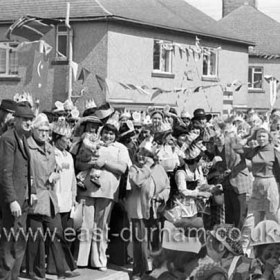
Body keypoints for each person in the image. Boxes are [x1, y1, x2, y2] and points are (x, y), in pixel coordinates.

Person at [75, 119, 130, 270]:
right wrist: (91, 164)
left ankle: (98, 259)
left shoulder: (120, 148)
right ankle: (81, 260)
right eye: (106, 132)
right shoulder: (92, 143)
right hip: (87, 189)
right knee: (85, 225)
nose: (108, 136)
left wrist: (104, 163)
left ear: (116, 135)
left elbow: (122, 168)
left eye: (111, 133)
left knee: (101, 225)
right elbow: (79, 163)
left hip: (108, 191)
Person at [26, 113, 76, 279]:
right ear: (33, 129)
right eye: (41, 130)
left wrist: (54, 174)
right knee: (36, 238)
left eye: (47, 130)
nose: (44, 133)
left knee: (57, 234)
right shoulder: (28, 147)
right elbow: (28, 173)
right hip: (35, 197)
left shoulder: (49, 148)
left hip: (50, 198)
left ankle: (61, 272)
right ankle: (35, 272)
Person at [0, 103, 35, 280]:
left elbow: (28, 169)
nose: (28, 123)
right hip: (14, 202)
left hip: (25, 200)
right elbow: (5, 173)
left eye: (30, 120)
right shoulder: (8, 138)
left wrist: (33, 191)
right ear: (16, 120)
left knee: (20, 242)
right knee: (9, 243)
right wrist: (12, 199)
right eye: (25, 119)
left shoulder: (23, 139)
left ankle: (14, 276)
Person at [126, 143, 170, 279]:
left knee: (156, 240)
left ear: (151, 156)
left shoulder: (160, 169)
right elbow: (138, 181)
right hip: (139, 210)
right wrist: (146, 167)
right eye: (139, 153)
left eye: (144, 154)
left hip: (155, 209)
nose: (141, 156)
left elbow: (167, 186)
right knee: (140, 241)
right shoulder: (134, 169)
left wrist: (161, 196)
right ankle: (139, 270)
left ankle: (156, 268)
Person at [234, 128, 280, 225]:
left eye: (263, 136)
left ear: (268, 138)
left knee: (272, 214)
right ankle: (259, 238)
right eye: (258, 136)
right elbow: (236, 147)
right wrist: (250, 137)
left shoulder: (274, 151)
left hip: (270, 183)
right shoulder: (254, 151)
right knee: (257, 215)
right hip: (256, 183)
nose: (261, 139)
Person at [209, 127, 251, 229]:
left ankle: (239, 239)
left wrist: (234, 170)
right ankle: (230, 240)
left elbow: (248, 158)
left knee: (240, 214)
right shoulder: (214, 149)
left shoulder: (234, 143)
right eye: (215, 138)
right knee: (229, 215)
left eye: (219, 137)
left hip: (239, 181)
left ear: (224, 135)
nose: (217, 139)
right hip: (226, 184)